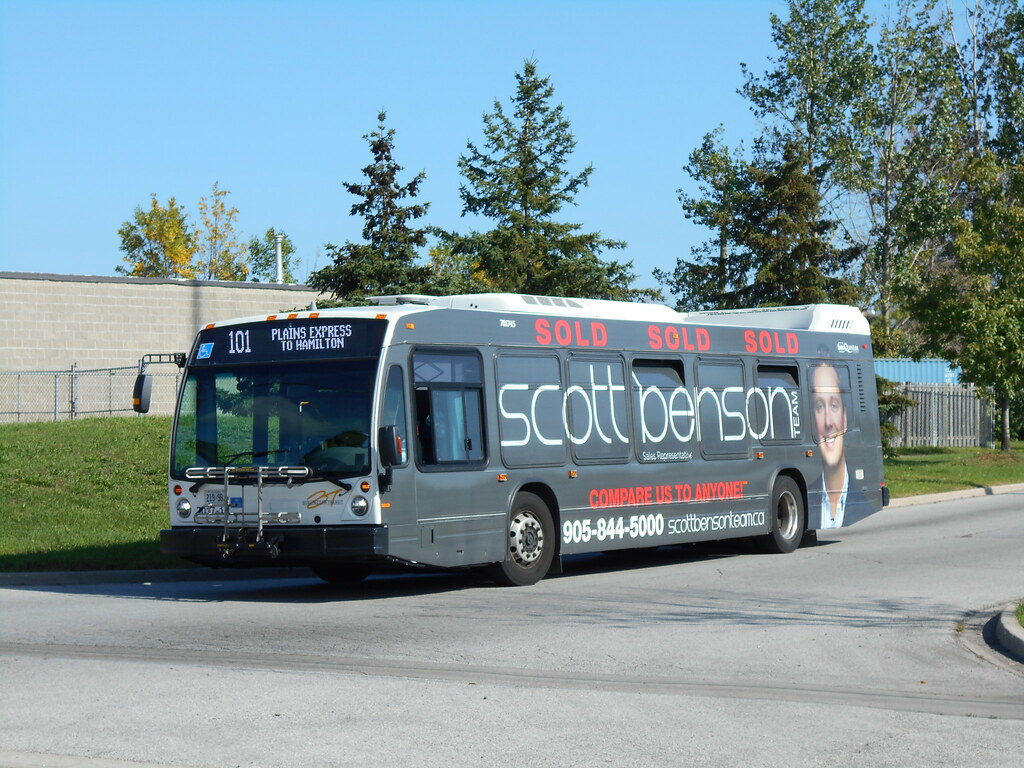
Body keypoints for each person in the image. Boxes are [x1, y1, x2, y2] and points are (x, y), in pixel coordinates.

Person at [811, 363, 872, 528]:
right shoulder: (806, 502)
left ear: (845, 418)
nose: (828, 422)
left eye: (834, 405)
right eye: (819, 406)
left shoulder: (865, 503)